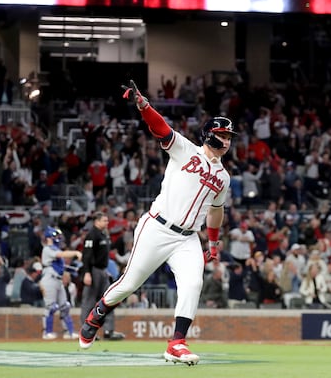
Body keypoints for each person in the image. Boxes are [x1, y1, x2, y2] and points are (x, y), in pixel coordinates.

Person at [78, 80, 236, 365]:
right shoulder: (186, 150)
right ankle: (99, 311)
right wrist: (144, 106)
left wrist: (213, 242)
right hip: (158, 227)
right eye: (221, 135)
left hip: (188, 238)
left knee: (192, 283)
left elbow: (216, 211)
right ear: (208, 135)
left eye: (229, 136)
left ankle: (177, 342)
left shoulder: (223, 178)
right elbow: (161, 129)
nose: (226, 140)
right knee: (129, 284)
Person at [79, 211, 125, 341]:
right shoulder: (91, 235)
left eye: (107, 220)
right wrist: (87, 272)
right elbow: (86, 255)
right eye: (104, 221)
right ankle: (86, 330)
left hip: (103, 271)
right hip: (93, 270)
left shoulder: (103, 235)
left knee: (109, 300)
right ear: (97, 221)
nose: (107, 223)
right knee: (89, 301)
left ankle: (108, 331)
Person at [40, 226, 82, 340]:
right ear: (49, 237)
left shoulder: (55, 249)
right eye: (56, 236)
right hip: (49, 279)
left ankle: (69, 332)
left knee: (65, 306)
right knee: (51, 307)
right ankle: (47, 332)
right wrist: (76, 253)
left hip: (58, 280)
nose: (58, 238)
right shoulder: (47, 249)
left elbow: (60, 266)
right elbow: (61, 255)